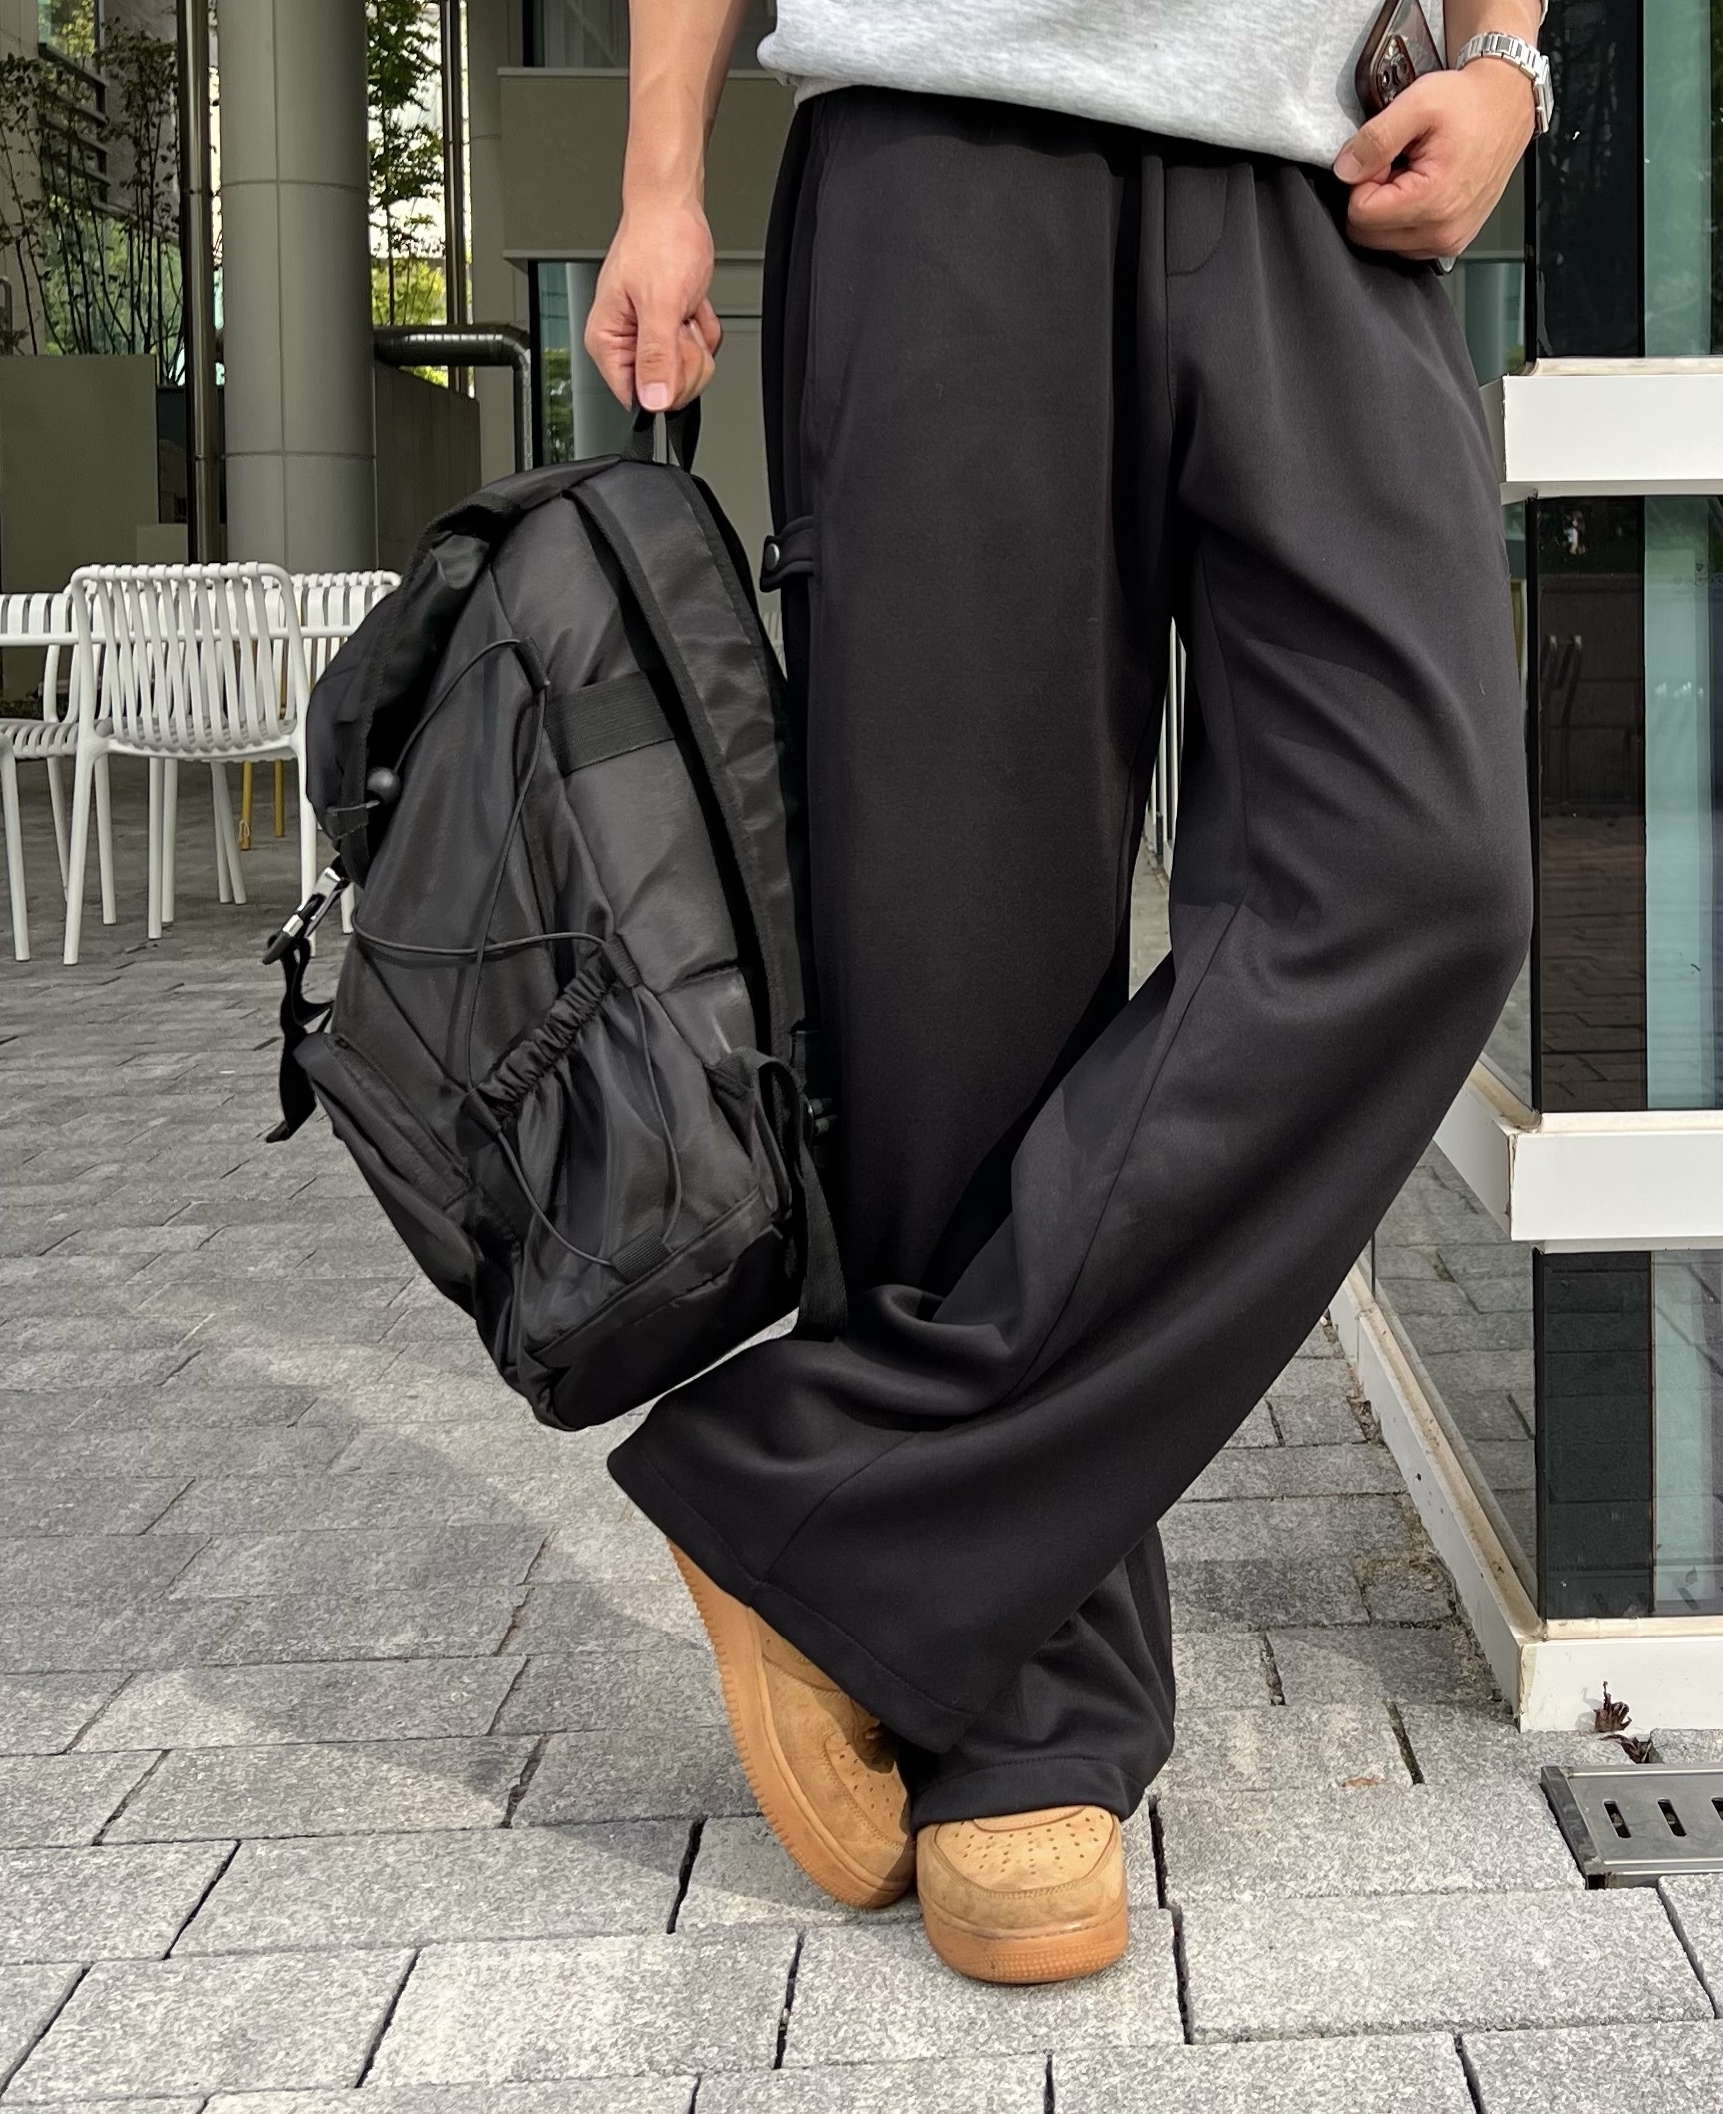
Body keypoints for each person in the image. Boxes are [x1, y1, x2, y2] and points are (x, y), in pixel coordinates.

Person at [587, 0, 1543, 1986]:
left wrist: (1512, 62)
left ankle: (822, 1495)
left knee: (1420, 875)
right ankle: (1027, 1706)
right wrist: (661, 175)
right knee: (955, 966)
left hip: (1324, 174)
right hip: (943, 143)